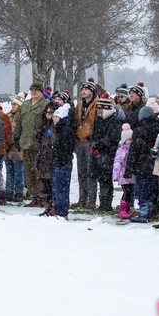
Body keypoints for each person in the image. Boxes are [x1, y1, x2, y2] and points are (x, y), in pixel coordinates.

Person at [14, 82, 49, 207]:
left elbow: (48, 125)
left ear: (41, 91)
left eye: (36, 90)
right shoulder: (25, 105)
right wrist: (16, 139)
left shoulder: (46, 105)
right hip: (25, 143)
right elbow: (19, 123)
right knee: (28, 172)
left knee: (38, 172)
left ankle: (41, 197)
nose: (34, 92)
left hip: (38, 145)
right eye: (32, 90)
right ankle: (34, 196)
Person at [127, 106, 159, 223]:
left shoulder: (139, 130)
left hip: (141, 164)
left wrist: (129, 167)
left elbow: (134, 150)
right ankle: (153, 209)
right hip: (155, 164)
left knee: (142, 190)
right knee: (153, 189)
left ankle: (144, 212)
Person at [90, 94, 122, 211]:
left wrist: (98, 144)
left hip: (108, 154)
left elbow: (112, 138)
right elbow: (94, 135)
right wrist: (93, 144)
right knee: (101, 179)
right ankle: (102, 202)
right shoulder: (99, 120)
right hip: (99, 154)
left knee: (106, 179)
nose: (97, 111)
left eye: (99, 108)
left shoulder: (114, 121)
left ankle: (106, 203)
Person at [74, 78, 101, 209]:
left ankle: (91, 200)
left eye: (86, 89)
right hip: (80, 141)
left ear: (92, 91)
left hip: (90, 141)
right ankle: (82, 198)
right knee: (81, 171)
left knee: (91, 172)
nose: (83, 92)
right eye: (82, 89)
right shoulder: (79, 105)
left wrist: (94, 138)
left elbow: (98, 123)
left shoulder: (97, 104)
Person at [50, 104, 76, 219]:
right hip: (59, 162)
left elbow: (66, 147)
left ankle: (62, 212)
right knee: (57, 188)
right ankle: (58, 210)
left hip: (63, 162)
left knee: (62, 188)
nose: (54, 119)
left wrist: (58, 156)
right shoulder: (60, 129)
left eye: (56, 117)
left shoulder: (66, 129)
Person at [114, 123, 136, 220]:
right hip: (123, 175)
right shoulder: (122, 151)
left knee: (130, 191)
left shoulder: (131, 150)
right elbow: (117, 163)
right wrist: (116, 175)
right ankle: (123, 209)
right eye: (128, 140)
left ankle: (127, 209)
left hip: (130, 175)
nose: (130, 142)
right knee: (126, 191)